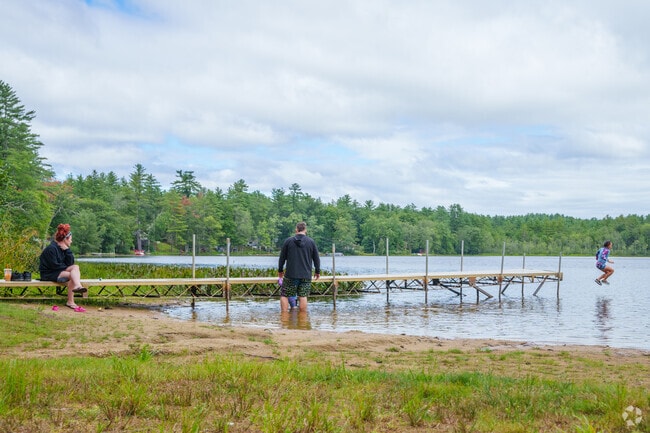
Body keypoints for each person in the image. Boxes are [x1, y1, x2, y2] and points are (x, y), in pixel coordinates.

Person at [39, 224, 87, 312]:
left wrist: (67, 250)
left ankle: (77, 286)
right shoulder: (51, 249)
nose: (71, 242)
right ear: (65, 239)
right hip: (49, 273)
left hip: (58, 271)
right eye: (71, 239)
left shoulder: (63, 248)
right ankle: (71, 300)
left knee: (76, 267)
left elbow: (71, 263)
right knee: (72, 275)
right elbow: (54, 266)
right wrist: (68, 269)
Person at [278, 221, 320, 312]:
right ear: (305, 230)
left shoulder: (288, 241)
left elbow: (282, 258)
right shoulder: (311, 242)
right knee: (303, 296)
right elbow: (316, 258)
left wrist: (280, 270)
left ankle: (284, 318)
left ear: (296, 230)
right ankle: (302, 319)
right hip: (306, 274)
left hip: (291, 274)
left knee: (285, 295)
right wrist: (317, 271)